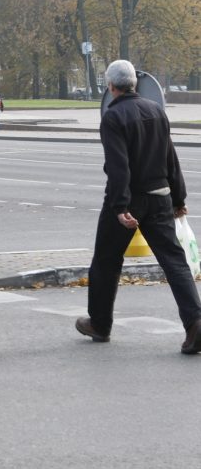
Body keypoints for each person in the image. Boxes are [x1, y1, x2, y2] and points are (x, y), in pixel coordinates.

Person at [76, 59, 201, 353]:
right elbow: (171, 158)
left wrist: (120, 207)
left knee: (106, 261)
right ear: (135, 83)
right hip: (161, 196)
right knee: (174, 261)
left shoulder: (112, 117)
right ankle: (195, 322)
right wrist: (179, 199)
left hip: (129, 200)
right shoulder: (156, 110)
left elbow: (118, 167)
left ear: (110, 86)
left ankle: (100, 324)